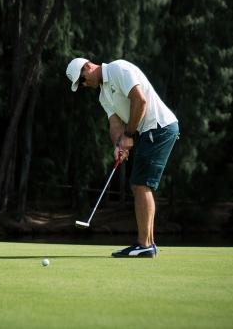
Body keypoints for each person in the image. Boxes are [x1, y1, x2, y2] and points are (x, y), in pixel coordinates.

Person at [66, 57, 179, 258]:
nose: (84, 85)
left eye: (82, 80)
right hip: (148, 131)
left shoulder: (119, 69)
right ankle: (148, 244)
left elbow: (140, 101)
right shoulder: (103, 96)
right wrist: (118, 144)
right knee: (140, 184)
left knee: (140, 184)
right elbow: (114, 123)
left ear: (88, 67)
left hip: (159, 127)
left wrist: (128, 136)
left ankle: (144, 244)